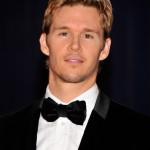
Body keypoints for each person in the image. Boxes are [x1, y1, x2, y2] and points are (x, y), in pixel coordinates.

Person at [0, 0, 150, 150]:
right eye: (64, 33)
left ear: (105, 48)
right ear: (45, 43)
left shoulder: (141, 133)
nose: (75, 45)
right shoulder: (6, 130)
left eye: (88, 35)